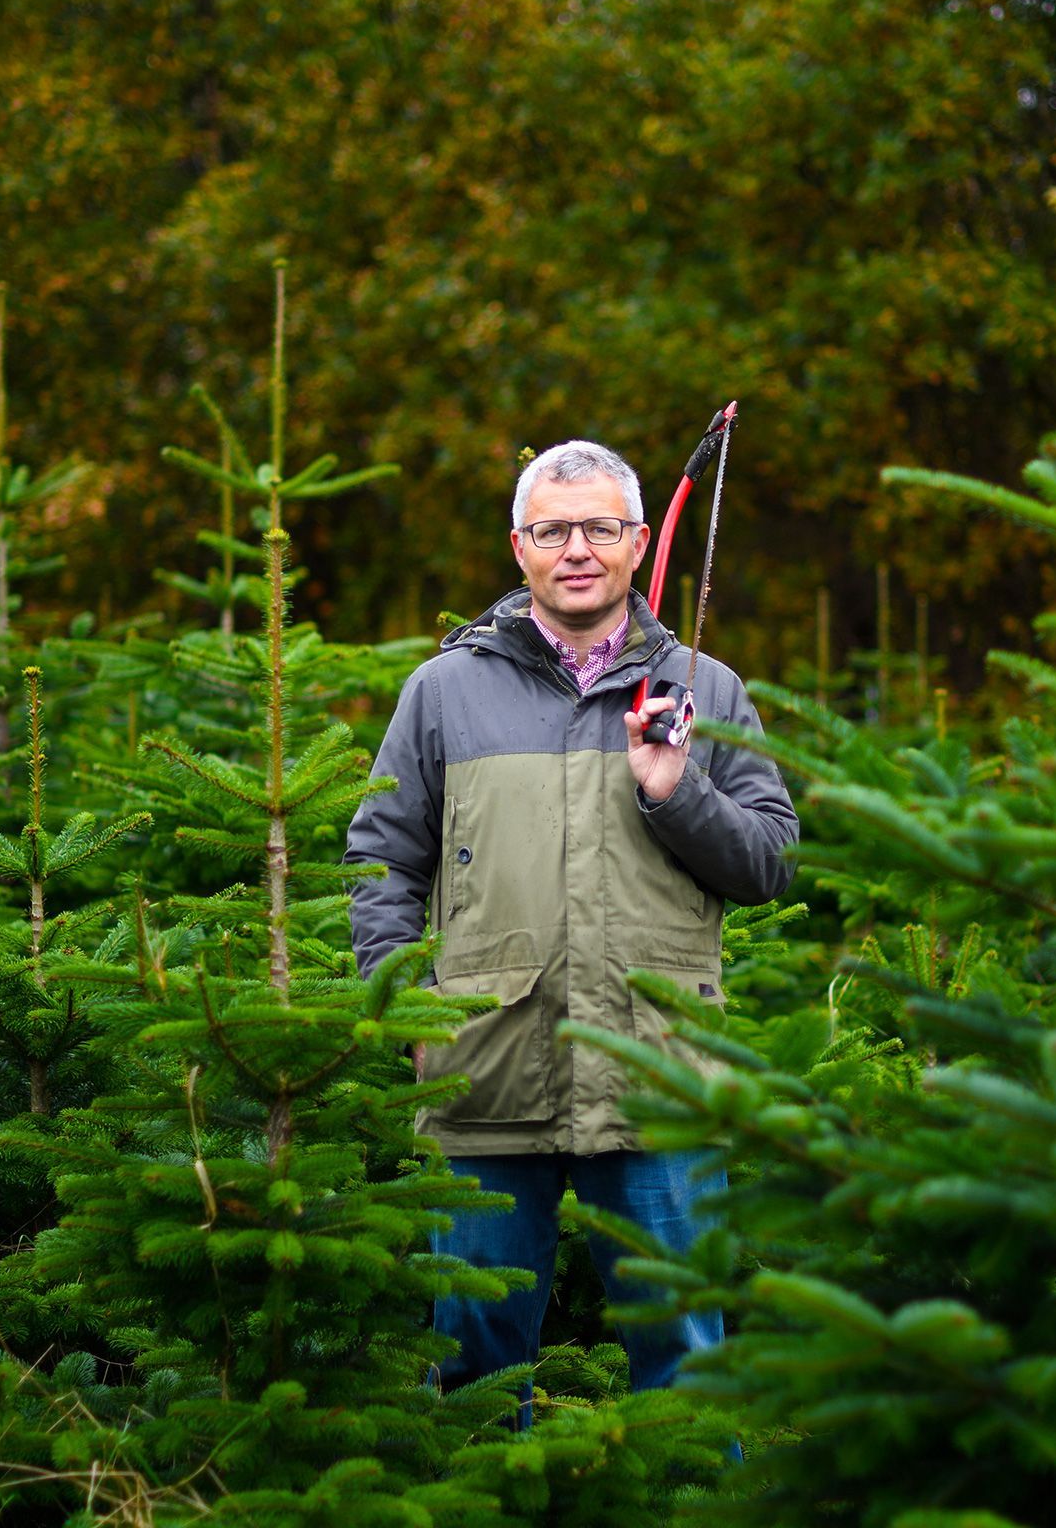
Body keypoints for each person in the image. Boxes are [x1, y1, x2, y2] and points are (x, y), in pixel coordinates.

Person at [345, 439, 798, 1424]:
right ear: (520, 547)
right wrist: (401, 1001)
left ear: (639, 542)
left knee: (683, 1351)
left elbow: (768, 862)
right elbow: (381, 855)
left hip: (660, 1068)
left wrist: (678, 793)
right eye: (553, 529)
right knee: (473, 1353)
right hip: (485, 1067)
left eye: (600, 527)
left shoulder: (705, 688)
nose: (577, 549)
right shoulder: (443, 691)